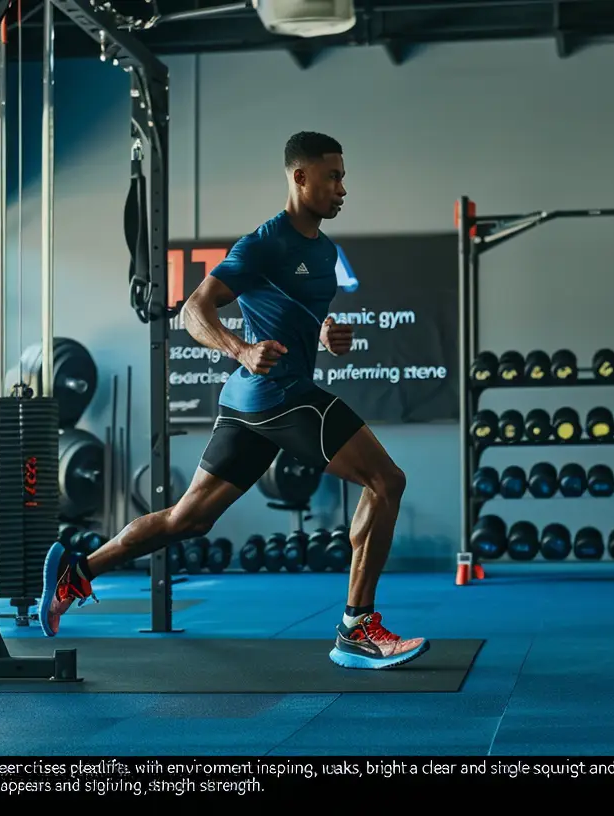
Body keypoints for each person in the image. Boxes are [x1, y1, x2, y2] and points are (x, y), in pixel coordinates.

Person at [36, 132, 426, 670]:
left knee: (187, 520)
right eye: (333, 176)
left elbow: (293, 317)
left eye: (343, 177)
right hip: (278, 396)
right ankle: (357, 627)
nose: (342, 188)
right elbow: (194, 311)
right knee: (387, 481)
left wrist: (325, 336)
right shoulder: (263, 243)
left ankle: (78, 570)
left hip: (249, 406)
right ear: (300, 177)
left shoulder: (324, 249)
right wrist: (240, 348)